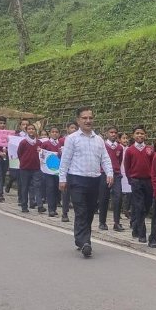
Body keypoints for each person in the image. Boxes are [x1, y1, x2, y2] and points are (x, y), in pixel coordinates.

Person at [59, 106, 114, 259]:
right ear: (78, 120)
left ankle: (80, 239)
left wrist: (109, 172)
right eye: (84, 118)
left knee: (89, 211)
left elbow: (105, 158)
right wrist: (62, 179)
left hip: (94, 180)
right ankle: (85, 242)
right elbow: (65, 160)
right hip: (76, 179)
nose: (88, 121)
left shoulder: (99, 139)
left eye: (90, 118)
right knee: (81, 210)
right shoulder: (72, 139)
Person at [123, 125, 154, 243]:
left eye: (142, 133)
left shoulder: (150, 149)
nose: (139, 135)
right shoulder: (130, 150)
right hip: (136, 181)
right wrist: (130, 179)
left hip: (148, 181)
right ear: (133, 135)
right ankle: (142, 233)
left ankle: (135, 226)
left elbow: (153, 165)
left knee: (147, 205)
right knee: (139, 206)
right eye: (137, 133)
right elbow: (127, 166)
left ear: (145, 135)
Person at [97, 124, 123, 231]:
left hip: (116, 174)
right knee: (104, 198)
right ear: (107, 134)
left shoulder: (120, 147)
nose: (113, 134)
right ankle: (102, 222)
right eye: (111, 132)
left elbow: (119, 160)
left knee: (118, 197)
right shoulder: (103, 146)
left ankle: (116, 222)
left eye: (115, 133)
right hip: (104, 174)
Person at [16, 126, 41, 213]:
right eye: (29, 129)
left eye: (33, 129)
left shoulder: (39, 143)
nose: (31, 130)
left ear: (35, 131)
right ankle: (24, 205)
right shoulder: (23, 142)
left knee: (37, 186)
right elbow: (19, 153)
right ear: (26, 131)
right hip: (25, 168)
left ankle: (39, 205)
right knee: (25, 187)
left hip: (36, 168)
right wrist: (24, 161)